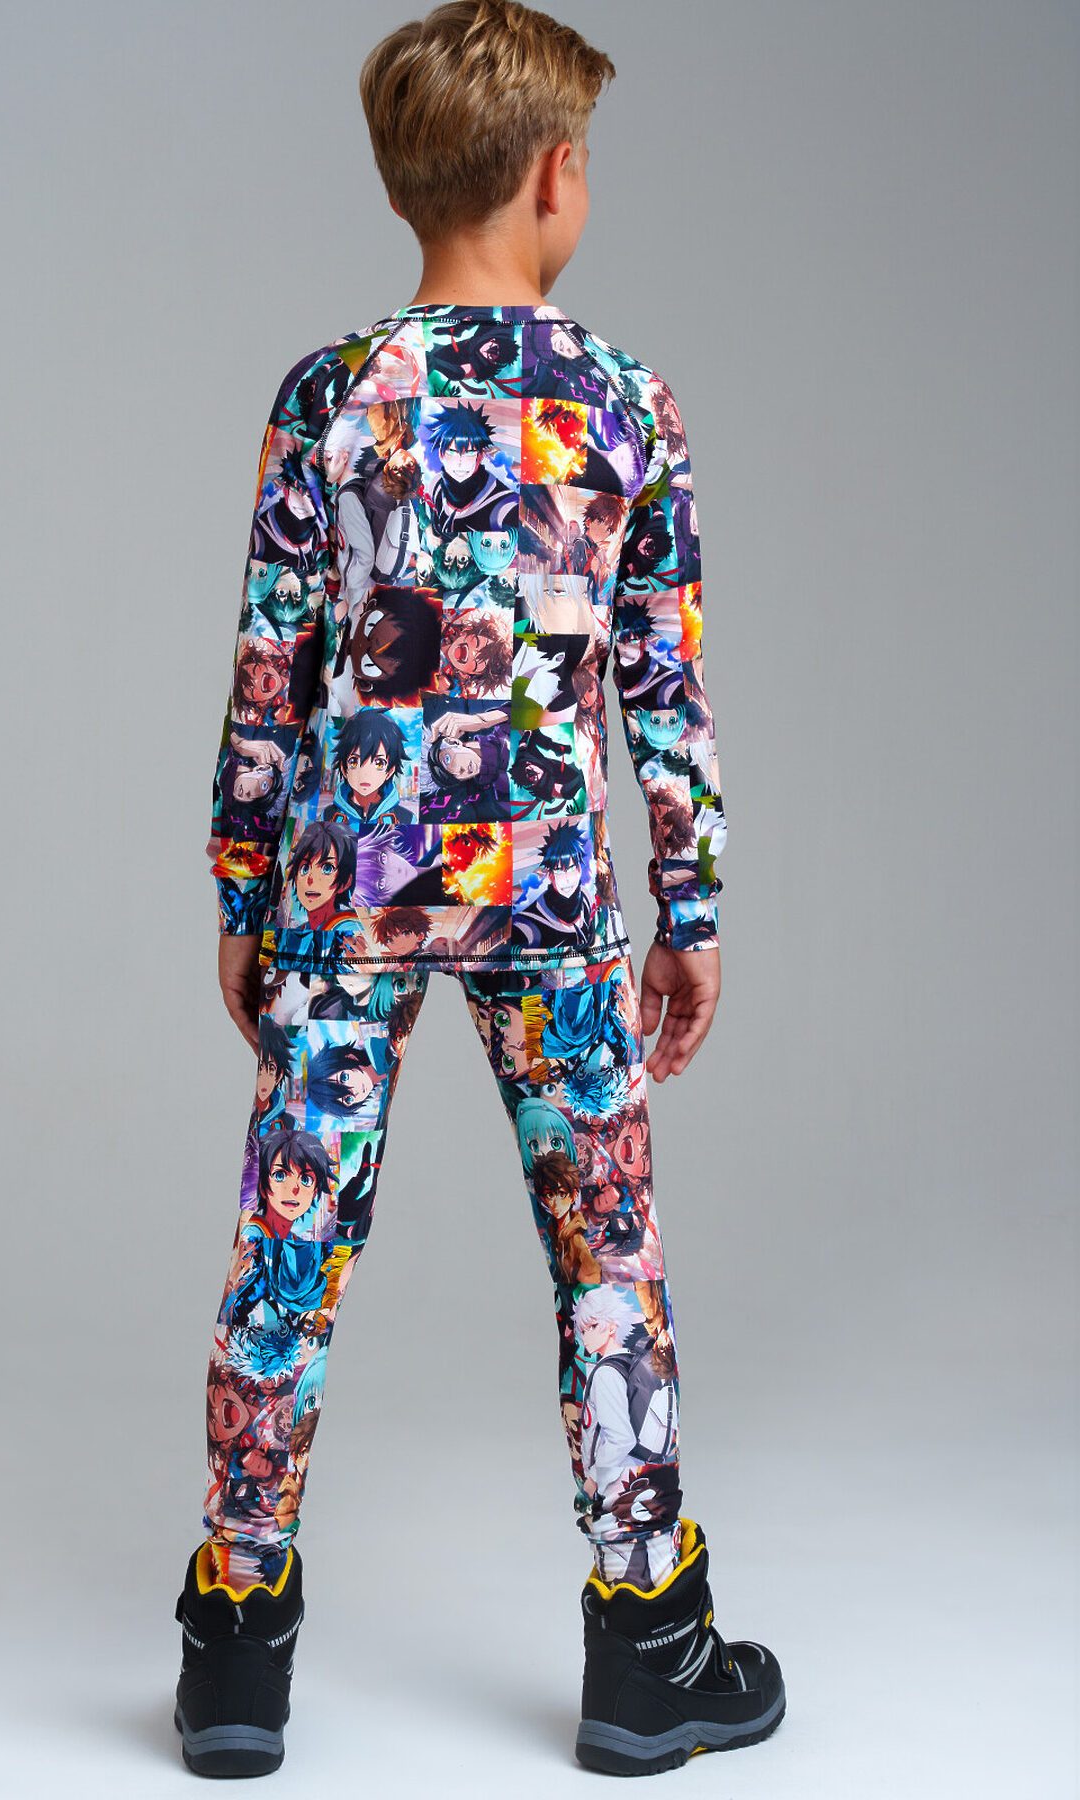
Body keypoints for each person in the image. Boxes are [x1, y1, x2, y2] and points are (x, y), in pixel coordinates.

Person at [173, 1, 785, 1780]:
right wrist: (692, 908)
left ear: (405, 186)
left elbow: (272, 667)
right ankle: (649, 1647)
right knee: (609, 1257)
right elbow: (662, 688)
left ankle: (235, 1649)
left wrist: (245, 883)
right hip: (552, 893)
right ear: (556, 177)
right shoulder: (627, 403)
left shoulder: (326, 395)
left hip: (345, 885)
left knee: (288, 1248)